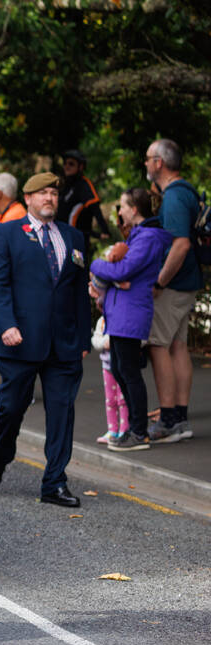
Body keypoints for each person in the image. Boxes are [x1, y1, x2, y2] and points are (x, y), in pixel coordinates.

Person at [0, 172, 90, 507]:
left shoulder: (73, 237)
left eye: (54, 193)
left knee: (61, 413)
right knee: (11, 409)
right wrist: (7, 324)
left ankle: (54, 483)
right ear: (27, 198)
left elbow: (77, 291)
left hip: (64, 345)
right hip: (20, 340)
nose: (50, 198)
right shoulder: (7, 233)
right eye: (42, 193)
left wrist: (83, 337)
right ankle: (1, 457)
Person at [90, 188, 173, 452]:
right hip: (121, 311)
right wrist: (112, 273)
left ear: (134, 210)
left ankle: (138, 432)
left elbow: (124, 269)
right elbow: (119, 272)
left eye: (123, 206)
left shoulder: (146, 238)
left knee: (128, 372)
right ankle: (134, 429)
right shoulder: (139, 236)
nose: (120, 211)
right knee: (120, 369)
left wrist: (95, 265)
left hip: (130, 312)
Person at [144, 138, 202, 442]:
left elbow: (180, 244)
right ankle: (179, 416)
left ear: (159, 163)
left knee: (158, 345)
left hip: (174, 284)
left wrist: (159, 282)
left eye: (147, 159)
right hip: (189, 282)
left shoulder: (175, 197)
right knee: (178, 346)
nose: (145, 164)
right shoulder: (187, 192)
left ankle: (168, 420)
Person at [57, 149, 110, 259]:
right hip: (61, 239)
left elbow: (95, 208)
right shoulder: (64, 185)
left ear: (80, 167)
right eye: (65, 163)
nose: (67, 166)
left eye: (71, 164)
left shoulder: (84, 184)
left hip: (76, 242)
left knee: (78, 268)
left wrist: (105, 231)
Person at [91, 315, 129, 444]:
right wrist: (103, 343)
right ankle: (112, 430)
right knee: (110, 400)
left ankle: (124, 430)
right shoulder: (102, 320)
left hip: (122, 366)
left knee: (122, 399)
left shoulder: (122, 318)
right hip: (107, 367)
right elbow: (96, 340)